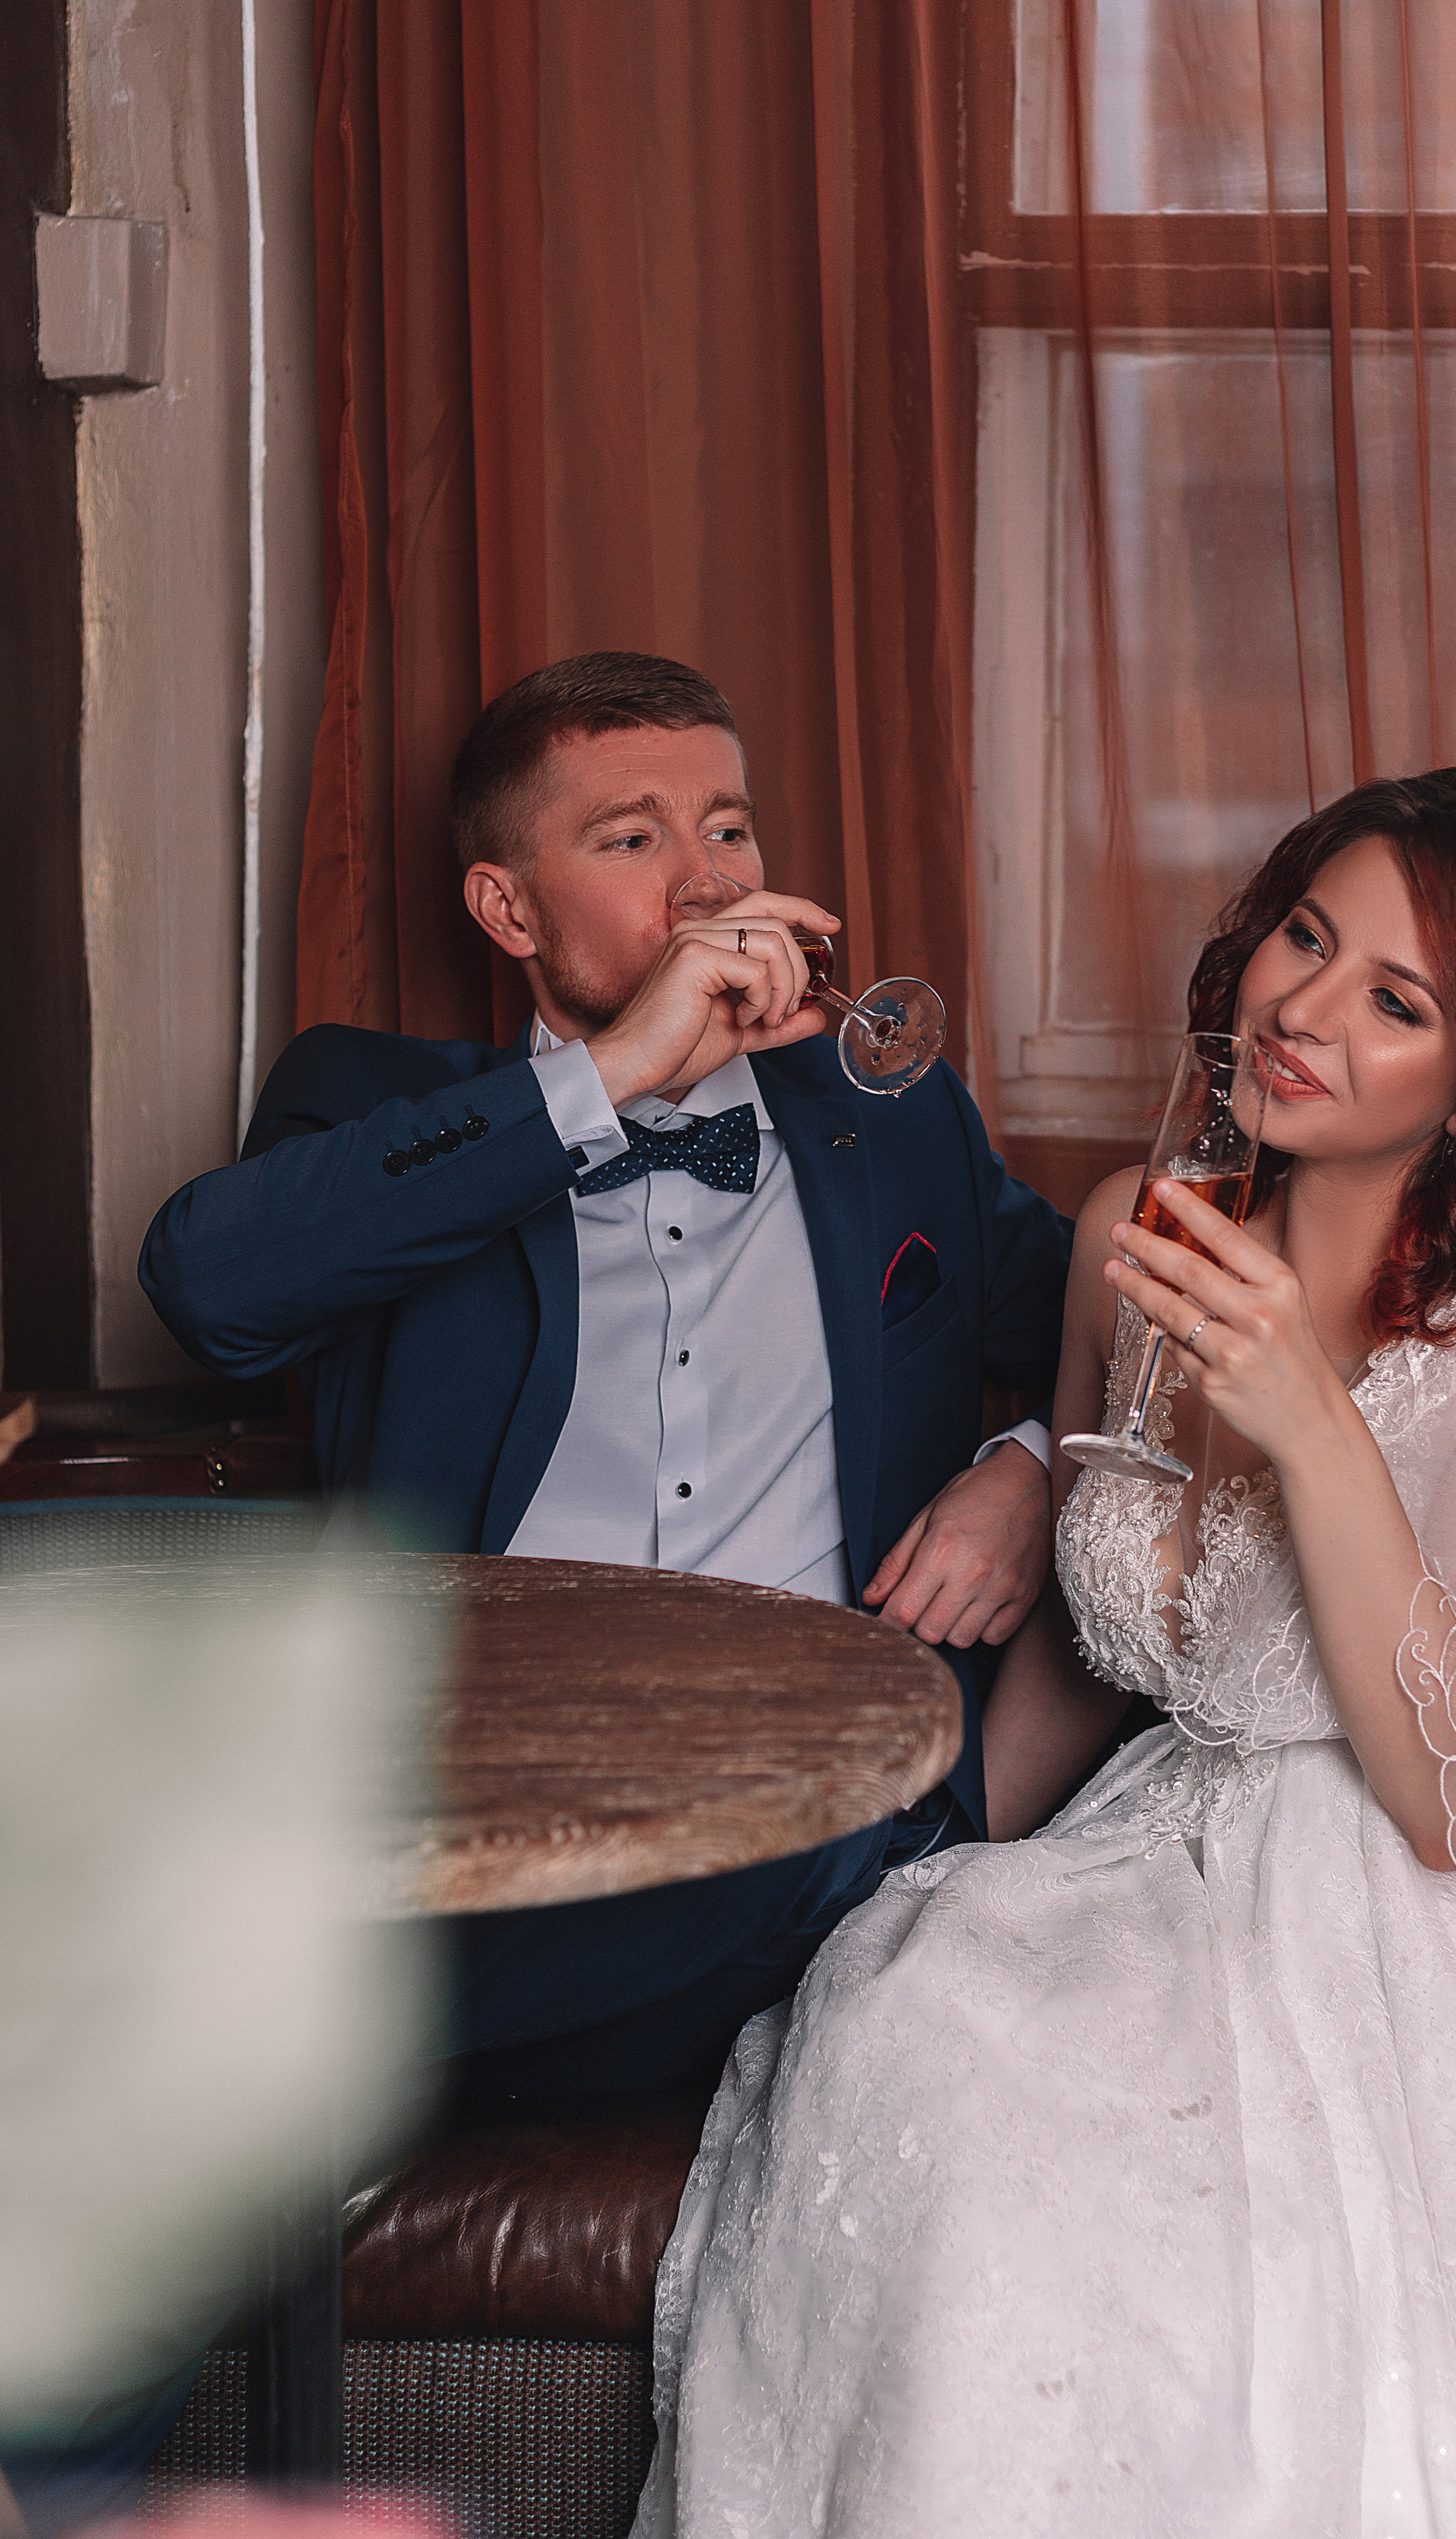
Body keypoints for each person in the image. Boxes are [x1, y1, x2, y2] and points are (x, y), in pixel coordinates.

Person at [635, 770, 1456, 2539]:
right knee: (930, 2029)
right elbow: (1090, 1649)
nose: (1300, 1010)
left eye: (1393, 1002)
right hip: (1161, 1850)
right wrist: (937, 1856)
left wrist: (1311, 1425)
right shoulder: (1129, 1236)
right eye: (1303, 938)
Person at [141, 650, 1071, 2109]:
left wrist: (1035, 1467)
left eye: (730, 828)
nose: (709, 883)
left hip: (810, 1770)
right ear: (508, 909)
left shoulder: (892, 1121)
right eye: (634, 839)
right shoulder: (378, 1103)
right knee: (845, 1854)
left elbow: (1135, 1336)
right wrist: (616, 1070)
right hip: (488, 1800)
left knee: (845, 1812)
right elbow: (207, 1290)